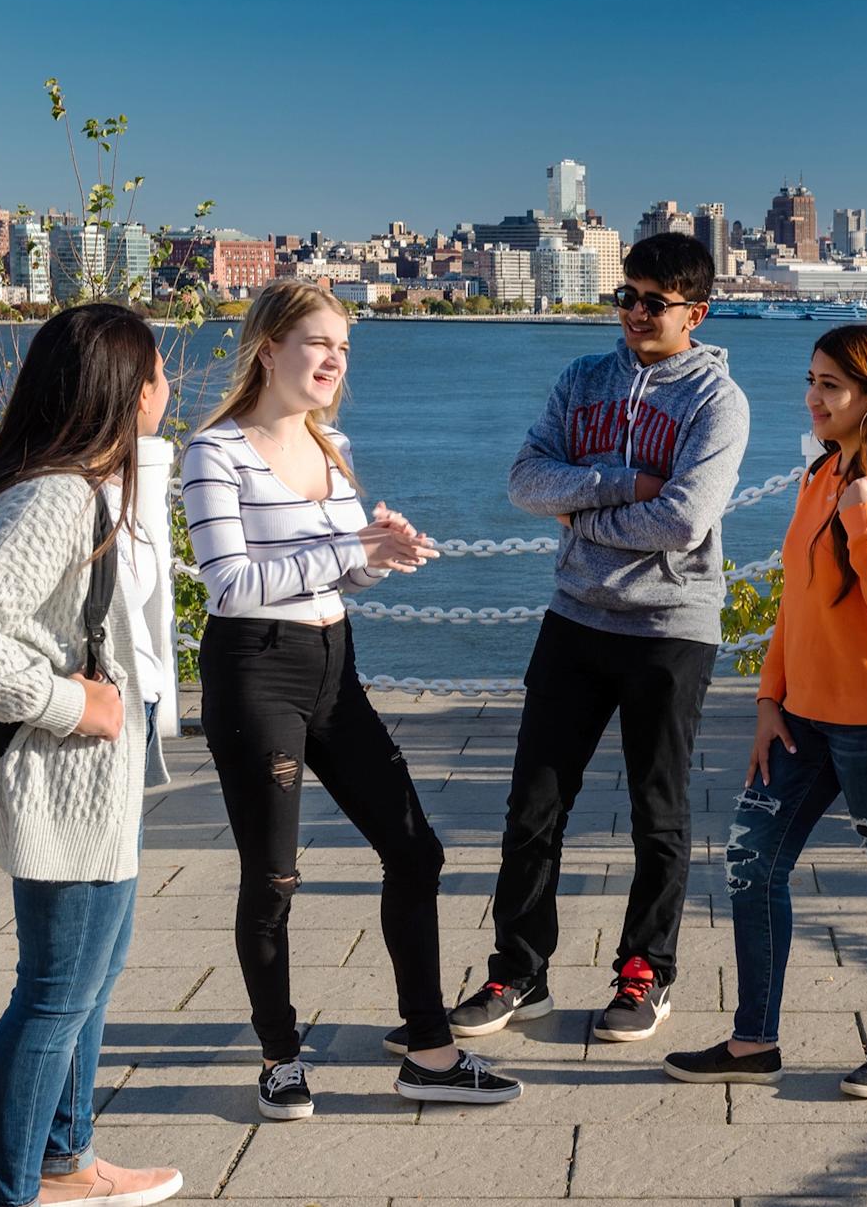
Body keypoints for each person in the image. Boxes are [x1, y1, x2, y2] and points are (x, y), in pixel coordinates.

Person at [183, 280, 519, 1117]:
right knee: (274, 877)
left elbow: (339, 571)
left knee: (416, 851)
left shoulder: (333, 445)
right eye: (318, 343)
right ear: (269, 349)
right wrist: (346, 545)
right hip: (256, 669)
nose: (334, 360)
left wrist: (379, 556)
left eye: (343, 348)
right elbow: (229, 584)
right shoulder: (214, 451)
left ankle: (431, 1055)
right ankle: (279, 1055)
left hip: (336, 666)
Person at [0, 302, 183, 1207]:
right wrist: (66, 705)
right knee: (55, 998)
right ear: (130, 391)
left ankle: (67, 1163)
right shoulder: (57, 496)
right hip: (60, 784)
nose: (170, 387)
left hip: (93, 786)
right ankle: (9, 1193)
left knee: (86, 989)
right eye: (159, 373)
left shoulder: (90, 484)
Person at [461, 231, 751, 1046]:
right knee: (533, 807)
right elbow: (525, 480)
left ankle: (646, 970)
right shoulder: (582, 378)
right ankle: (518, 969)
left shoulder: (716, 401)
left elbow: (687, 517)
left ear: (696, 310)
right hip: (574, 618)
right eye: (625, 296)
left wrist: (580, 509)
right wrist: (620, 486)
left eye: (652, 301)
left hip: (670, 627)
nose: (633, 313)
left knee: (659, 812)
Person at [664, 323, 867, 1100]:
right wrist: (767, 700)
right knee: (751, 862)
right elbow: (796, 603)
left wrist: (866, 521)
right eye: (812, 380)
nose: (814, 397)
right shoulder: (821, 475)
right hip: (803, 718)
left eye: (832, 384)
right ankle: (754, 1039)